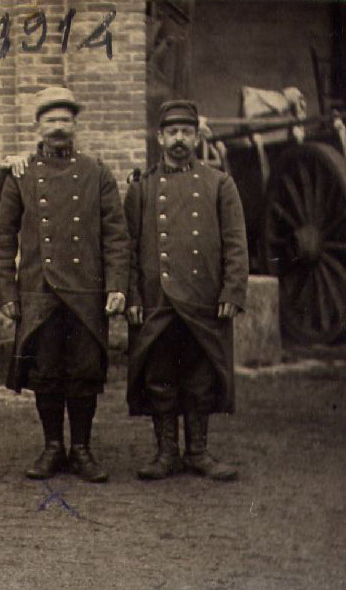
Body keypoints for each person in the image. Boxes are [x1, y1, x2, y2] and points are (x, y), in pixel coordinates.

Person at [0, 86, 129, 483]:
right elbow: (3, 238)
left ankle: (81, 448)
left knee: (84, 372)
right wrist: (6, 292)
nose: (58, 127)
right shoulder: (22, 175)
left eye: (65, 120)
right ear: (38, 126)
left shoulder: (96, 172)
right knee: (46, 372)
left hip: (86, 290)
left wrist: (117, 285)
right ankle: (52, 446)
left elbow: (116, 235)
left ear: (75, 125)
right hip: (40, 290)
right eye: (50, 120)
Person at [125, 100, 248, 481]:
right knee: (159, 377)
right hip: (157, 299)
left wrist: (232, 291)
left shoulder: (219, 184)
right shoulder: (141, 188)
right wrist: (132, 296)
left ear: (197, 137)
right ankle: (166, 453)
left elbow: (235, 243)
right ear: (160, 138)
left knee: (200, 377)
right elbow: (127, 248)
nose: (179, 139)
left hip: (203, 298)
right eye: (172, 132)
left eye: (187, 132)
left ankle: (198, 452)